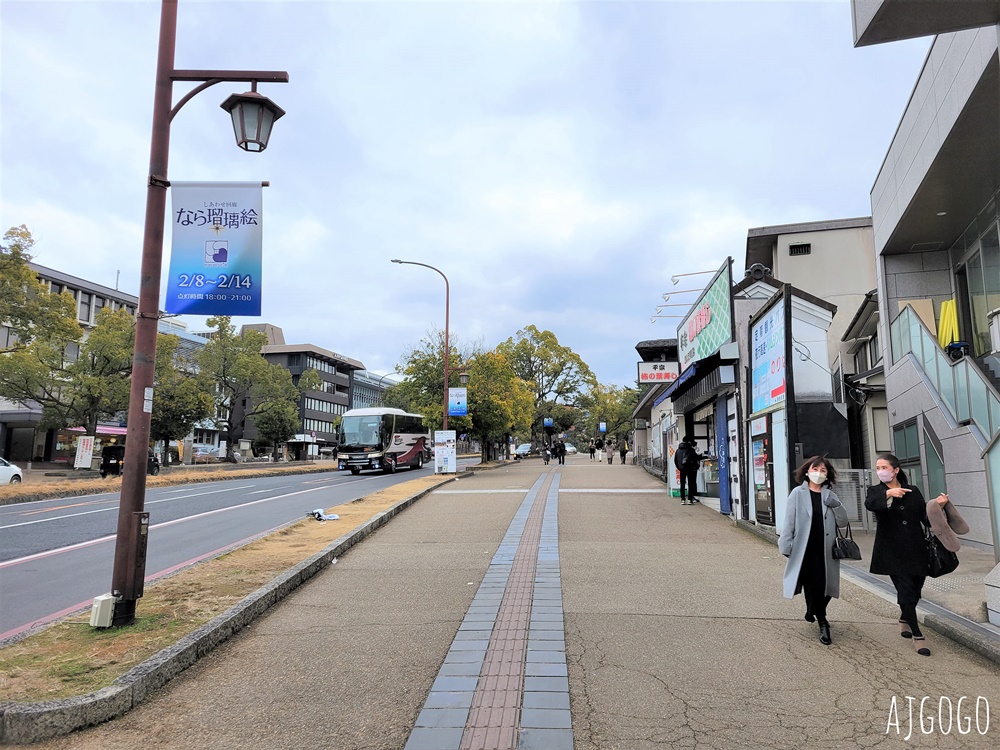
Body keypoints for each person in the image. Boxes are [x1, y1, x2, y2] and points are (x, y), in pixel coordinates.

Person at [865, 453, 949, 657]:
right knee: (905, 590)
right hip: (891, 551)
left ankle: (904, 618)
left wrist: (938, 507)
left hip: (916, 548)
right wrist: (888, 494)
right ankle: (917, 635)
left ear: (895, 470)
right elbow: (871, 505)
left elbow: (925, 519)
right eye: (878, 468)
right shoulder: (876, 491)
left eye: (884, 467)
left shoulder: (913, 491)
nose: (880, 471)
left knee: (916, 588)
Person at [778, 456, 848, 646]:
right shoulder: (797, 494)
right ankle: (823, 622)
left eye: (823, 470)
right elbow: (789, 521)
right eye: (815, 469)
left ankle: (812, 610)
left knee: (827, 586)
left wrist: (837, 504)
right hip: (805, 548)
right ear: (807, 472)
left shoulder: (829, 495)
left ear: (827, 475)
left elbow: (843, 522)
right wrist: (785, 544)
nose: (818, 473)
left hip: (826, 549)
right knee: (813, 584)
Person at [674, 436, 703, 505]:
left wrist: (679, 468)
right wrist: (702, 456)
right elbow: (696, 458)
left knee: (682, 484)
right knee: (691, 484)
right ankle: (690, 499)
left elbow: (675, 460)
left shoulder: (678, 450)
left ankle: (683, 500)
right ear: (689, 442)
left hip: (682, 470)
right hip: (690, 469)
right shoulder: (690, 449)